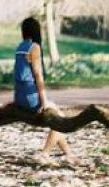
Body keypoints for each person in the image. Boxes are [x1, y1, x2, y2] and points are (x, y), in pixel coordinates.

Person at [13, 16, 69, 155]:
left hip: (19, 97)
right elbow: (38, 75)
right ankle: (45, 154)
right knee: (59, 118)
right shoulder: (34, 47)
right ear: (36, 31)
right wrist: (44, 102)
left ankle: (69, 154)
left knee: (56, 117)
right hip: (31, 99)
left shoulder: (19, 48)